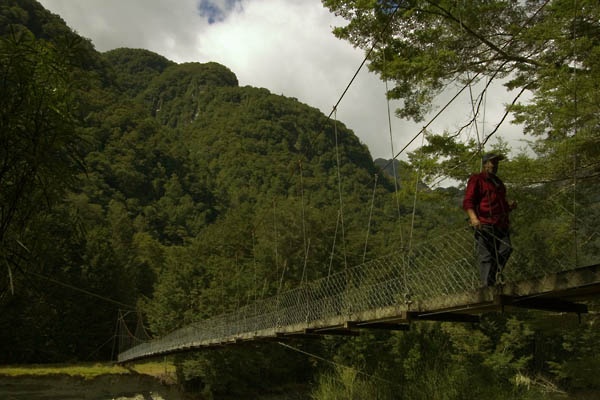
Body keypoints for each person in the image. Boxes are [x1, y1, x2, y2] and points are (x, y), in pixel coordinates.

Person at [463, 153, 516, 287]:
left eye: (497, 163)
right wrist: (474, 218)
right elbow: (468, 201)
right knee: (486, 256)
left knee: (506, 248)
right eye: (493, 163)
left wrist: (509, 207)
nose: (495, 165)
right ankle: (487, 287)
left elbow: (500, 205)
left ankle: (491, 277)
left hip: (501, 224)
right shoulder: (477, 179)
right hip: (484, 224)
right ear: (485, 164)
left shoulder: (498, 183)